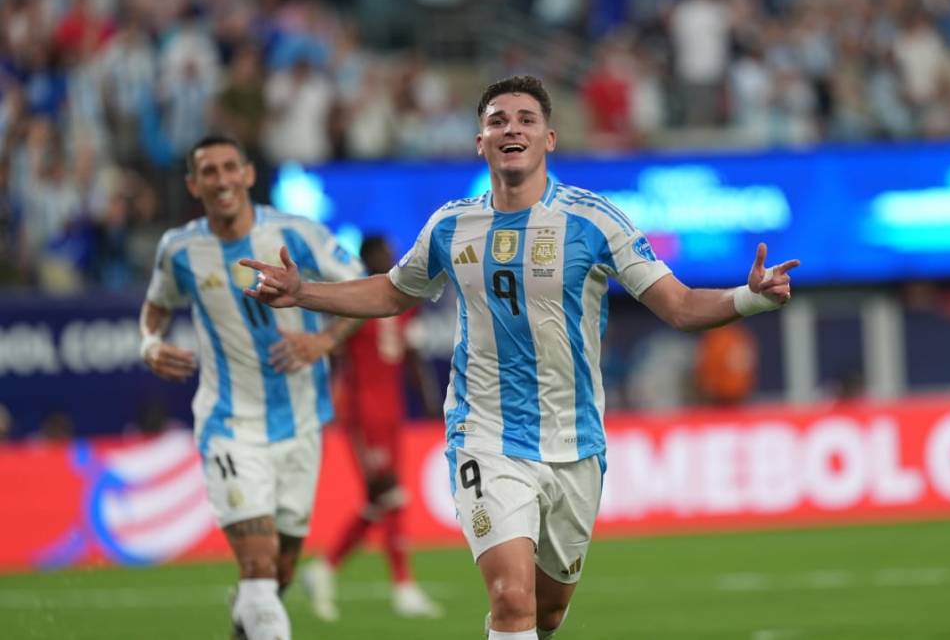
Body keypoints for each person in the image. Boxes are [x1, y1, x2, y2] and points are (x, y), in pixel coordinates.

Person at [241, 75, 799, 639]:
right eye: (498, 121)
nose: (512, 128)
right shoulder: (451, 224)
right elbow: (391, 291)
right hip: (486, 436)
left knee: (548, 612)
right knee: (512, 599)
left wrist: (748, 297)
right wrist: (302, 291)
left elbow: (678, 305)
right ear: (480, 142)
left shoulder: (594, 220)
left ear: (549, 138)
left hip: (576, 445)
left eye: (526, 120)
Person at [139, 134, 365, 640]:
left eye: (228, 168)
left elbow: (362, 287)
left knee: (278, 573)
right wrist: (149, 344)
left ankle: (248, 617)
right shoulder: (179, 249)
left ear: (246, 174)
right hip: (230, 425)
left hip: (302, 423)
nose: (220, 180)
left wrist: (323, 340)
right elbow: (155, 308)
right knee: (260, 568)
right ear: (193, 185)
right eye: (208, 172)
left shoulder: (296, 233)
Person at [301, 234, 444, 621]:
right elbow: (332, 353)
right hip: (363, 413)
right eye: (382, 253)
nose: (390, 257)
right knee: (389, 495)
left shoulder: (406, 304)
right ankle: (396, 585)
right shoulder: (355, 304)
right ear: (367, 260)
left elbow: (412, 355)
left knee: (386, 500)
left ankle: (330, 570)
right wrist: (328, 401)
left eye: (390, 252)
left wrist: (431, 402)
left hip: (392, 413)